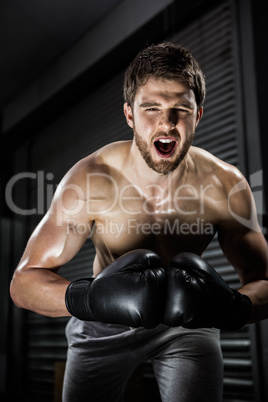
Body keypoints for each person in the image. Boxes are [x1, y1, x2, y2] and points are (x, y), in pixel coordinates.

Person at [10, 42, 268, 402]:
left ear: (199, 115)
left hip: (187, 326)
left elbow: (263, 282)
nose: (167, 123)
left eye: (181, 109)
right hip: (103, 321)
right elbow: (22, 283)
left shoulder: (226, 186)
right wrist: (93, 299)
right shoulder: (91, 179)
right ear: (129, 114)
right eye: (152, 108)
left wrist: (234, 306)